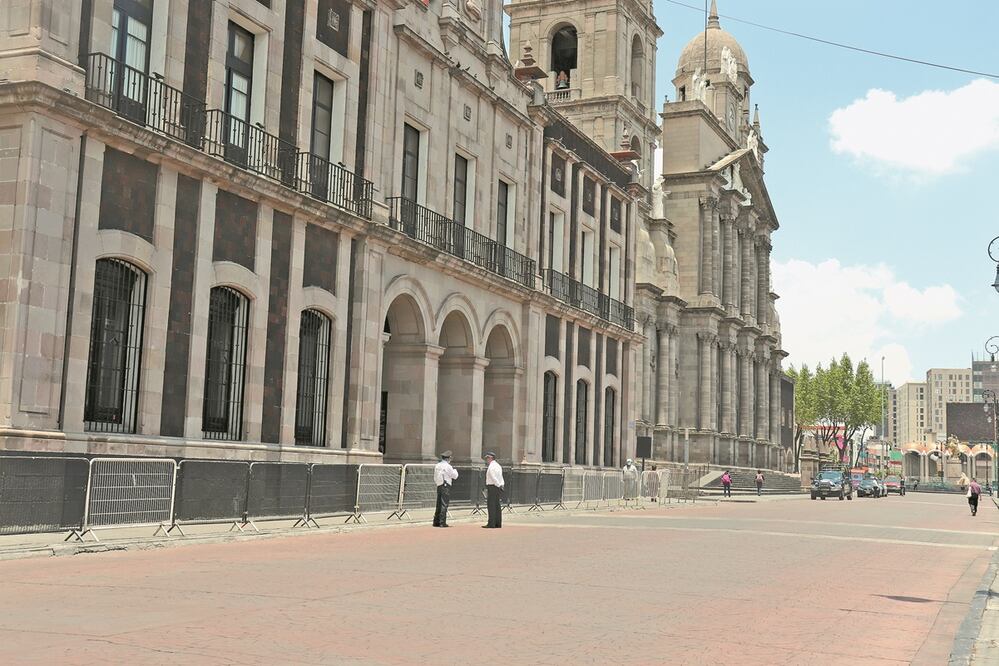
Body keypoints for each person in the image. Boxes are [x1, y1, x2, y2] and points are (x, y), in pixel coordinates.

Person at [432, 450, 459, 528]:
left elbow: (435, 477)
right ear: (448, 458)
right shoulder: (448, 466)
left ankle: (436, 521)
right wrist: (455, 471)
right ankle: (442, 522)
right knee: (444, 504)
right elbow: (455, 476)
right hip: (445, 485)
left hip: (439, 485)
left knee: (438, 504)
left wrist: (438, 483)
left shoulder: (437, 465)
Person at [483, 452, 504, 528]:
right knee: (497, 505)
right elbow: (501, 477)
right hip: (498, 486)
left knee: (491, 505)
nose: (487, 460)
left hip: (493, 486)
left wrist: (498, 484)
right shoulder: (498, 466)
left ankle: (491, 523)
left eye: (487, 458)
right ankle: (498, 523)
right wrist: (501, 485)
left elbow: (493, 477)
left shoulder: (491, 466)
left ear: (491, 458)